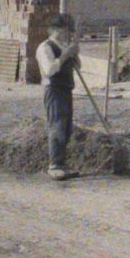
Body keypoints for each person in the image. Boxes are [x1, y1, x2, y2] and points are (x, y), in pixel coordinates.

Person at [35, 12, 82, 180]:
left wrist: (74, 54)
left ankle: (61, 163)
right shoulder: (45, 48)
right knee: (57, 127)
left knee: (66, 128)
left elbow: (77, 66)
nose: (67, 33)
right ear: (55, 30)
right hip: (54, 90)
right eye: (65, 30)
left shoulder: (63, 47)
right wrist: (65, 55)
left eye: (69, 30)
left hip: (66, 90)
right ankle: (54, 165)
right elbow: (50, 69)